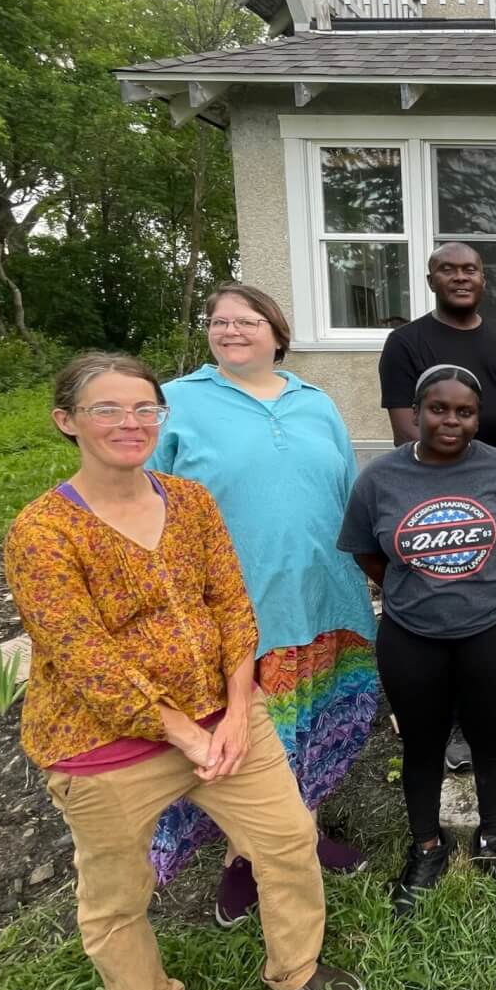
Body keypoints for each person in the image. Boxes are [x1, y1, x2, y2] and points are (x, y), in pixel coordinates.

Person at [4, 352, 359, 990]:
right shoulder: (42, 533)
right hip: (103, 745)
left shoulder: (189, 502)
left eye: (145, 409)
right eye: (108, 409)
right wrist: (180, 734)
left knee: (288, 843)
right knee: (116, 894)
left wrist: (234, 710)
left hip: (223, 723)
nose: (130, 423)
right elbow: (83, 658)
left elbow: (231, 603)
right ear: (66, 422)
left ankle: (297, 969)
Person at [148, 285, 378, 928]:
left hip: (323, 592)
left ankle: (301, 831)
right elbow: (150, 505)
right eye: (219, 321)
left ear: (277, 332)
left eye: (246, 321)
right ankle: (243, 858)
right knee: (252, 735)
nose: (230, 331)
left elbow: (344, 491)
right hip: (237, 607)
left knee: (312, 722)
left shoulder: (315, 402)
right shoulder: (178, 402)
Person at [340, 365, 496, 907]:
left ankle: (492, 836)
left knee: (490, 735)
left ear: (478, 418)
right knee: (423, 743)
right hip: (411, 633)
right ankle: (427, 846)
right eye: (438, 409)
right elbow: (368, 552)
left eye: (464, 411)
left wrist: (478, 588)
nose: (451, 420)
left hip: (493, 627)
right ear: (415, 412)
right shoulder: (379, 480)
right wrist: (418, 590)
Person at [378, 243, 496, 761]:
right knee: (446, 613)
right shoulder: (407, 342)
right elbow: (405, 428)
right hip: (435, 510)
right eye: (448, 269)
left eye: (470, 269)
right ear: (430, 280)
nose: (460, 277)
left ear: (484, 278)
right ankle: (453, 723)